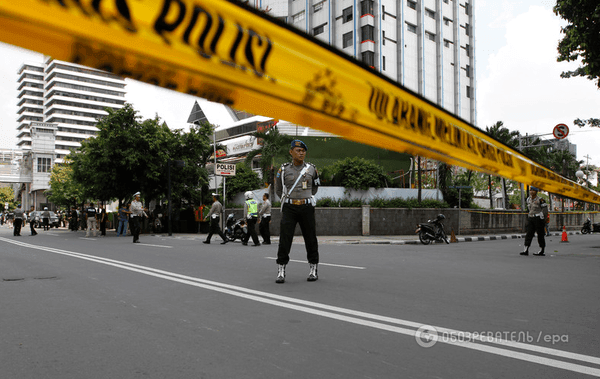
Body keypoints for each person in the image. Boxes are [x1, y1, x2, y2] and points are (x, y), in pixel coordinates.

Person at [275, 139, 321, 283]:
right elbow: (278, 189)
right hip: (290, 208)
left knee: (310, 238)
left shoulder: (312, 169)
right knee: (285, 238)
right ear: (291, 152)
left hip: (306, 207)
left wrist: (306, 197)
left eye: (303, 151)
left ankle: (313, 268)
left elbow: (315, 187)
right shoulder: (283, 170)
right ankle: (281, 269)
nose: (301, 153)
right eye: (298, 151)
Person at [520, 186, 548, 256]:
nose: (531, 192)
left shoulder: (540, 200)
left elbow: (545, 210)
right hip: (531, 218)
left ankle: (542, 250)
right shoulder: (528, 199)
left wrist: (544, 219)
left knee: (540, 234)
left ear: (536, 192)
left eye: (533, 190)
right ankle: (525, 249)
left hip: (538, 218)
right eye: (530, 190)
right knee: (529, 234)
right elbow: (529, 209)